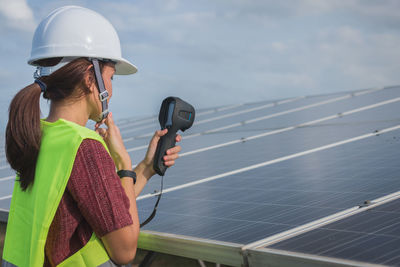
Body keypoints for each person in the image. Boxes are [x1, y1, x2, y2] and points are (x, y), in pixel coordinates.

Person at [2, 6, 181, 267]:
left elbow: (107, 211)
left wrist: (145, 168)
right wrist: (123, 163)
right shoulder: (85, 147)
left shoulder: (39, 134)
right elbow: (125, 250)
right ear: (90, 78)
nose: (111, 88)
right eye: (111, 77)